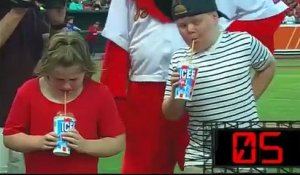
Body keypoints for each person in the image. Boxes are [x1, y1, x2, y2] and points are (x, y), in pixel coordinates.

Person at [162, 0, 276, 173]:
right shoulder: (180, 60)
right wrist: (177, 95)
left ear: (214, 17)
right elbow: (172, 114)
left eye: (196, 21)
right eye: (182, 25)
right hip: (201, 155)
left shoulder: (243, 42)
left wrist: (249, 98)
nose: (190, 29)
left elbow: (268, 66)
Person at [2, 32, 125, 174]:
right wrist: (40, 142)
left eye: (74, 80)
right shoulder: (29, 91)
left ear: (85, 71)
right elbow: (10, 137)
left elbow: (116, 142)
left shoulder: (100, 94)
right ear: (46, 71)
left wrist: (85, 145)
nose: (66, 86)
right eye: (59, 79)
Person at [101, 0, 190, 173]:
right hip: (144, 89)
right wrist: (114, 98)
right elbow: (118, 41)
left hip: (197, 84)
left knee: (205, 160)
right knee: (143, 161)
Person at [0, 0, 69, 173]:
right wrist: (18, 9)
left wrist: (58, 25)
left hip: (22, 120)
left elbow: (56, 58)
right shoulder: (20, 9)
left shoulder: (33, 11)